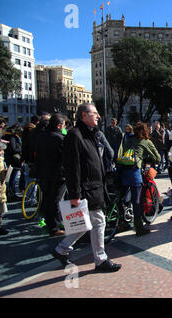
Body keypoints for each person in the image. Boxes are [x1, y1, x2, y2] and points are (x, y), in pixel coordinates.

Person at [52, 103, 121, 272]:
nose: (98, 116)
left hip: (95, 186)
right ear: (84, 115)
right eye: (94, 113)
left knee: (85, 224)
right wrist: (75, 193)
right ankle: (101, 259)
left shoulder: (91, 135)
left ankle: (61, 249)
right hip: (86, 189)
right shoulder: (75, 136)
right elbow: (72, 166)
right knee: (99, 221)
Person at [119, 122, 160, 235]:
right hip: (134, 172)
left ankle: (122, 222)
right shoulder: (146, 142)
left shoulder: (128, 140)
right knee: (136, 201)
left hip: (123, 170)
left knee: (122, 198)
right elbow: (157, 157)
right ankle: (139, 228)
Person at [34, 114, 67, 237]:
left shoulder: (41, 136)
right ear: (59, 125)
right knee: (56, 200)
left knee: (47, 198)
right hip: (58, 174)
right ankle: (55, 226)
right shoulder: (60, 138)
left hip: (43, 172)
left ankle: (50, 224)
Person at [2, 124, 23, 201]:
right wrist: (21, 149)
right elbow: (13, 149)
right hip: (13, 159)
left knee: (7, 177)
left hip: (8, 158)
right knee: (13, 177)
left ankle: (9, 192)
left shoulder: (5, 135)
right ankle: (11, 193)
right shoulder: (12, 137)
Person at [0, 140, 9, 236]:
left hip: (1, 189)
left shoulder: (1, 160)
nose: (3, 152)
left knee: (0, 211)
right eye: (1, 150)